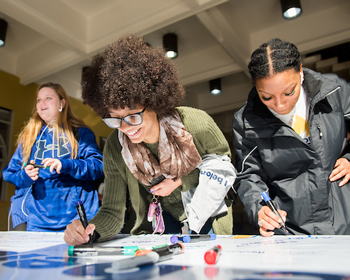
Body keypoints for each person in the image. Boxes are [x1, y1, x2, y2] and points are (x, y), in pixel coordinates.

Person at [64, 34, 236, 245]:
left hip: (210, 222)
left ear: (153, 102)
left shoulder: (196, 124)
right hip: (160, 231)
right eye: (115, 119)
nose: (125, 128)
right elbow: (111, 211)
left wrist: (180, 181)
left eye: (133, 116)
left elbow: (224, 170)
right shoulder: (114, 148)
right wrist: (89, 231)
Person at [232, 38, 350, 237]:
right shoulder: (246, 121)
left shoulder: (334, 91)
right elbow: (247, 176)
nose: (279, 105)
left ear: (301, 73)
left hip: (343, 218)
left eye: (289, 92)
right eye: (266, 97)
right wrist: (259, 209)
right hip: (291, 230)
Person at [3, 82, 103, 232]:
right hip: (37, 222)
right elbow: (10, 174)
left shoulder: (80, 133)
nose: (42, 103)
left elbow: (98, 166)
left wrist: (67, 165)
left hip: (76, 220)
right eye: (39, 100)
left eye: (48, 98)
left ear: (62, 103)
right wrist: (26, 175)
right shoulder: (29, 138)